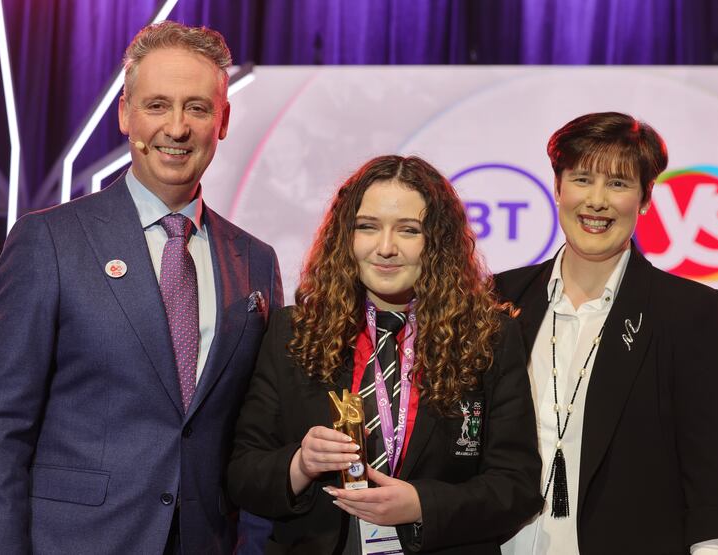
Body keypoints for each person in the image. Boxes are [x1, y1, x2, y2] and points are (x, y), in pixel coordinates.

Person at [0, 21, 282, 554]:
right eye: (157, 105)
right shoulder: (49, 241)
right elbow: (0, 428)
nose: (177, 127)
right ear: (125, 114)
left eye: (197, 107)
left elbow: (252, 431)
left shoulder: (255, 262)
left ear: (224, 120)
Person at [228, 155, 543, 554]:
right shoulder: (294, 332)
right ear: (346, 235)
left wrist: (421, 505)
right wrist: (300, 465)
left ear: (437, 241)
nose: (386, 248)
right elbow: (242, 473)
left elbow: (516, 485)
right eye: (368, 227)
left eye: (408, 230)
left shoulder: (488, 337)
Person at [496, 112, 718, 554]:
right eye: (582, 179)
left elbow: (713, 476)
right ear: (557, 188)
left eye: (618, 184)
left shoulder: (689, 313)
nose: (596, 201)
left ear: (645, 199)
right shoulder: (498, 298)